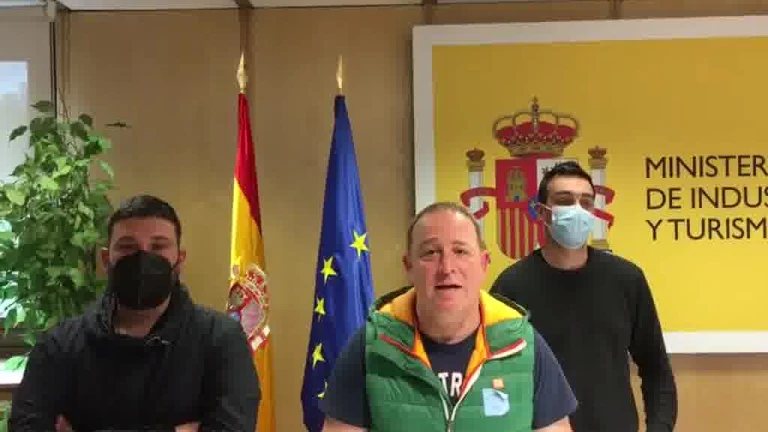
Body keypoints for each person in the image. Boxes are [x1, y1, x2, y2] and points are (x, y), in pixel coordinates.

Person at [10, 194, 261, 432]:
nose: (143, 257)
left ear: (179, 260)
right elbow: (25, 426)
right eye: (128, 246)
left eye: (158, 246)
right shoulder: (60, 343)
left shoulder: (221, 339)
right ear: (106, 259)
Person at [321, 202, 577, 432]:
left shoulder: (524, 345)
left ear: (484, 264)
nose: (447, 268)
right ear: (409, 266)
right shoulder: (371, 345)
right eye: (430, 253)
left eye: (460, 251)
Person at [490, 161, 678, 432]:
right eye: (565, 201)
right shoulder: (511, 287)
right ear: (542, 212)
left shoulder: (626, 279)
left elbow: (656, 368)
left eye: (586, 202)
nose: (577, 210)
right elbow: (494, 377)